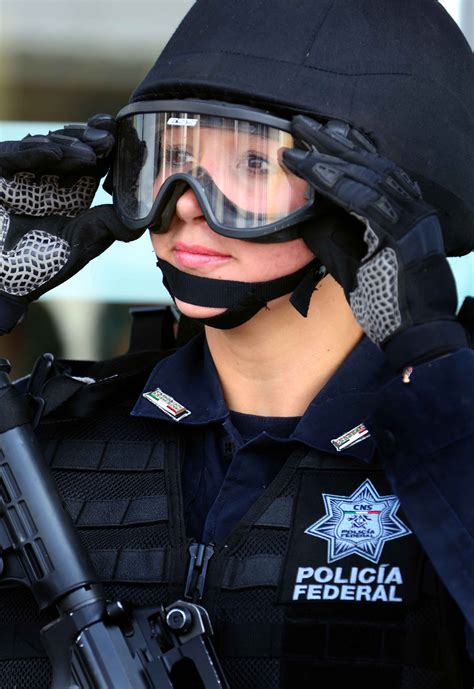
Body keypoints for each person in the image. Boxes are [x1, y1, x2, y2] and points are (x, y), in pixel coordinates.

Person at [0, 0, 473, 687]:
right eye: (169, 159)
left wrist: (436, 372)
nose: (187, 200)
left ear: (368, 203)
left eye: (252, 164)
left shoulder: (450, 440)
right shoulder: (53, 433)